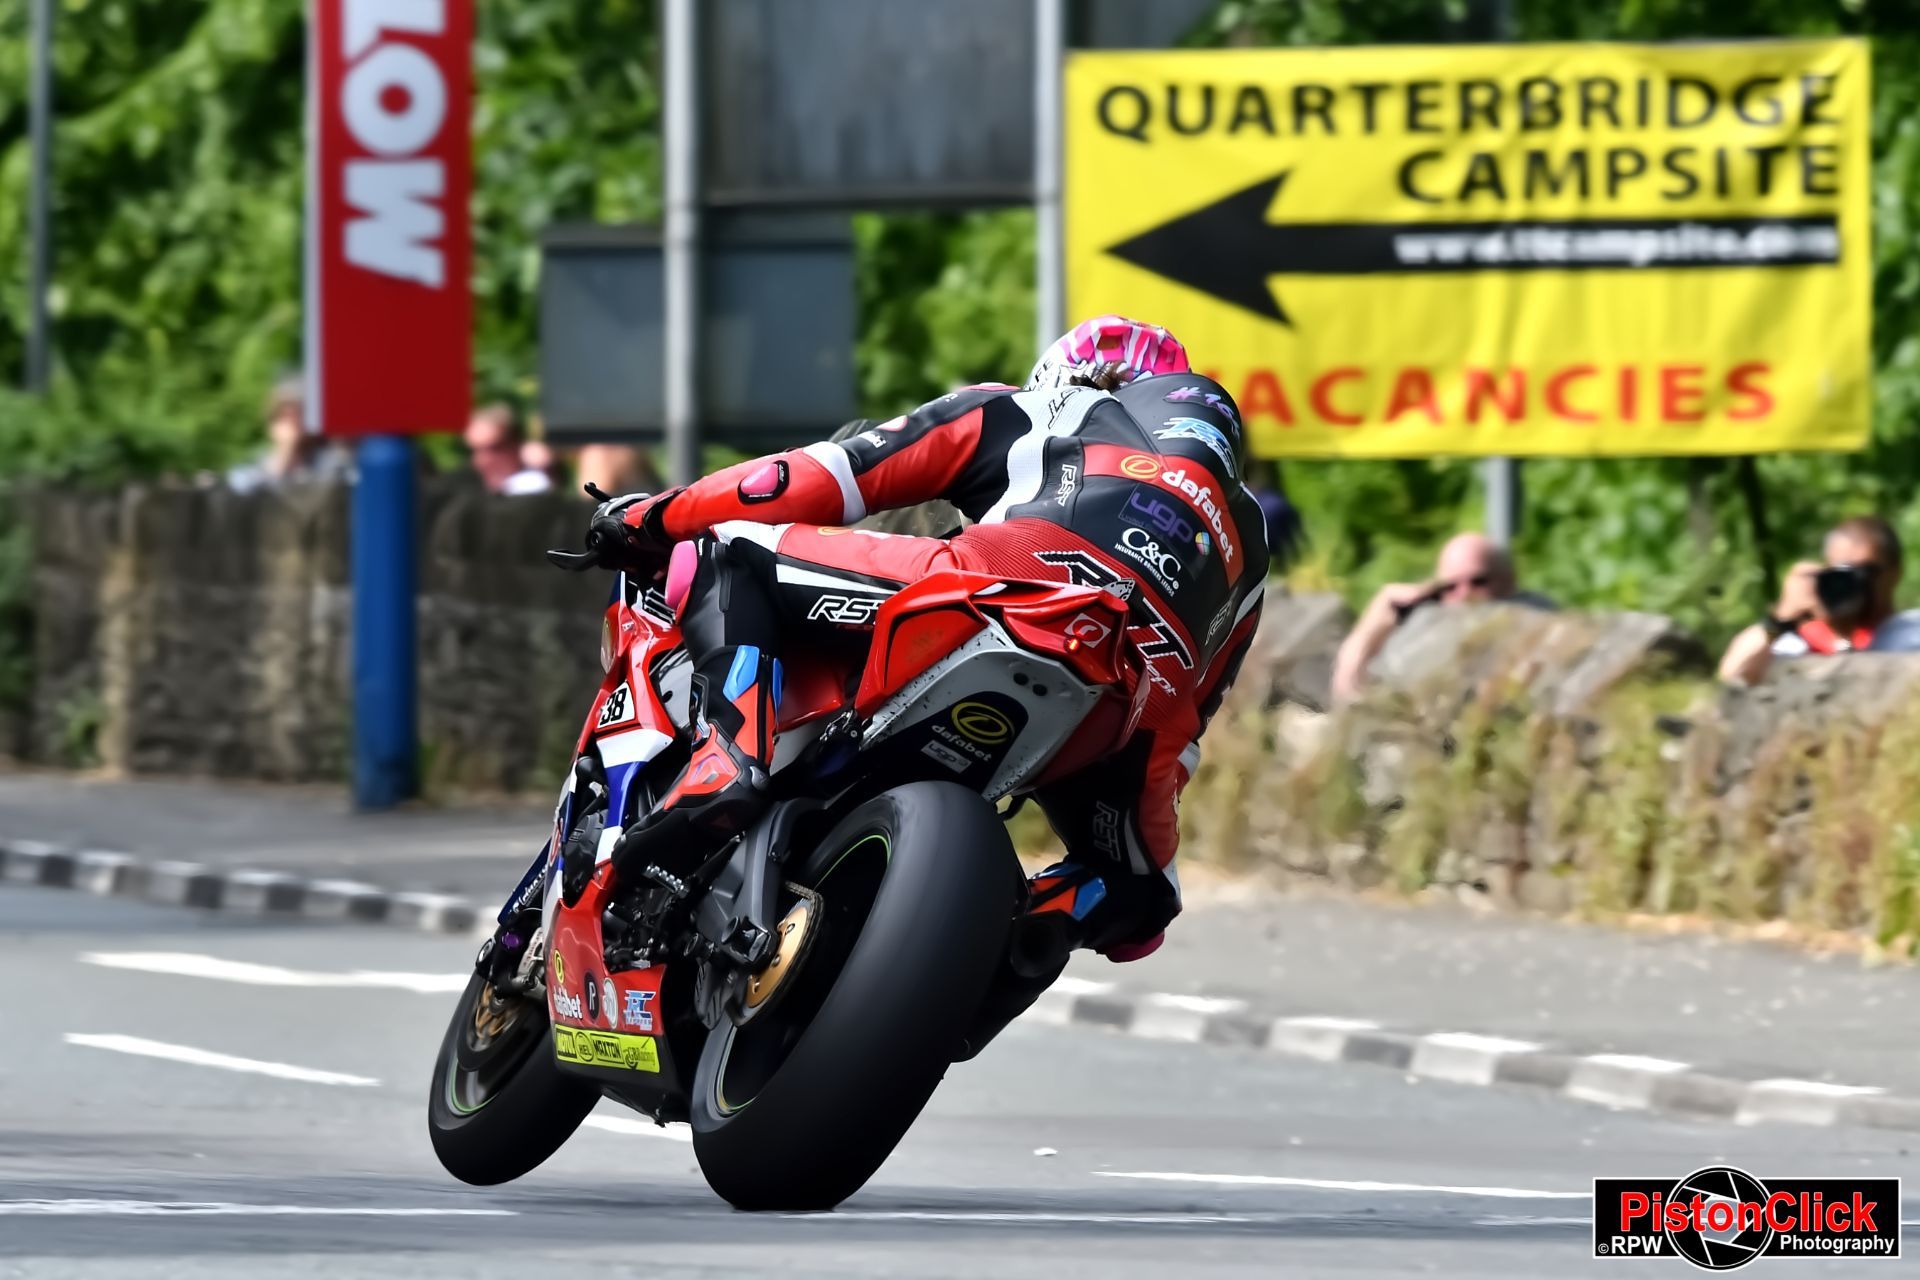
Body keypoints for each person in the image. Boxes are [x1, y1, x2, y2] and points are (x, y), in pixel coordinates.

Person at [556, 315, 1278, 1015]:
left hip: (995, 588)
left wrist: (652, 517)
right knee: (1139, 897)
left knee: (728, 550)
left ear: (1064, 373)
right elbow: (1191, 722)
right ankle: (1020, 940)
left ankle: (729, 759)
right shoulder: (1250, 546)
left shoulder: (1044, 408)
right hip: (1129, 707)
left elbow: (820, 478)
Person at [1330, 531, 1552, 703]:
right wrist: (1374, 622)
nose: (1464, 594)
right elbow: (1347, 689)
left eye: (1478, 582)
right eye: (1451, 587)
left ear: (1508, 581)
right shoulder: (1431, 629)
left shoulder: (1534, 614)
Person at [1717, 516, 1905, 684]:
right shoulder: (1800, 643)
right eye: (1842, 573)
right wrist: (1780, 620)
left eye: (1868, 572)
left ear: (1895, 573)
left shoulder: (1909, 633)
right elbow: (1734, 674)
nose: (1855, 582)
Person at [224, 375, 351, 493]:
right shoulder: (251, 468)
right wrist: (285, 453)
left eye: (298, 417)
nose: (292, 425)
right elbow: (244, 492)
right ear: (271, 424)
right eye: (284, 417)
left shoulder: (324, 464)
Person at [464, 403, 552, 495]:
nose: (481, 460)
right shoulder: (472, 476)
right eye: (476, 451)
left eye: (494, 449)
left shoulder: (531, 480)